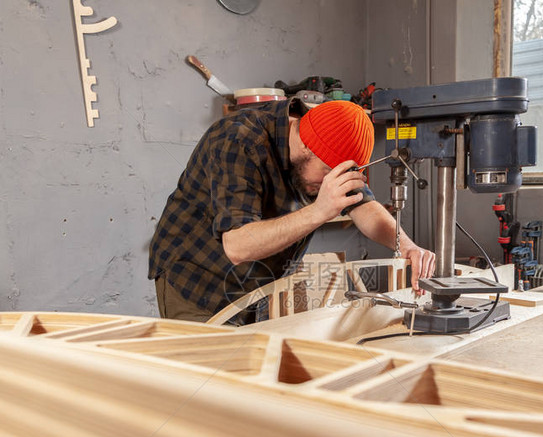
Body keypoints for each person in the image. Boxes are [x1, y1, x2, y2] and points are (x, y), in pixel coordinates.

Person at [148, 98, 435, 324]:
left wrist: (407, 246)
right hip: (198, 281)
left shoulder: (324, 137)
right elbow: (237, 245)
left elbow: (364, 206)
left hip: (259, 288)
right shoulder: (238, 140)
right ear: (306, 146)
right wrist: (320, 210)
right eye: (326, 173)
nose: (328, 183)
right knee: (211, 386)